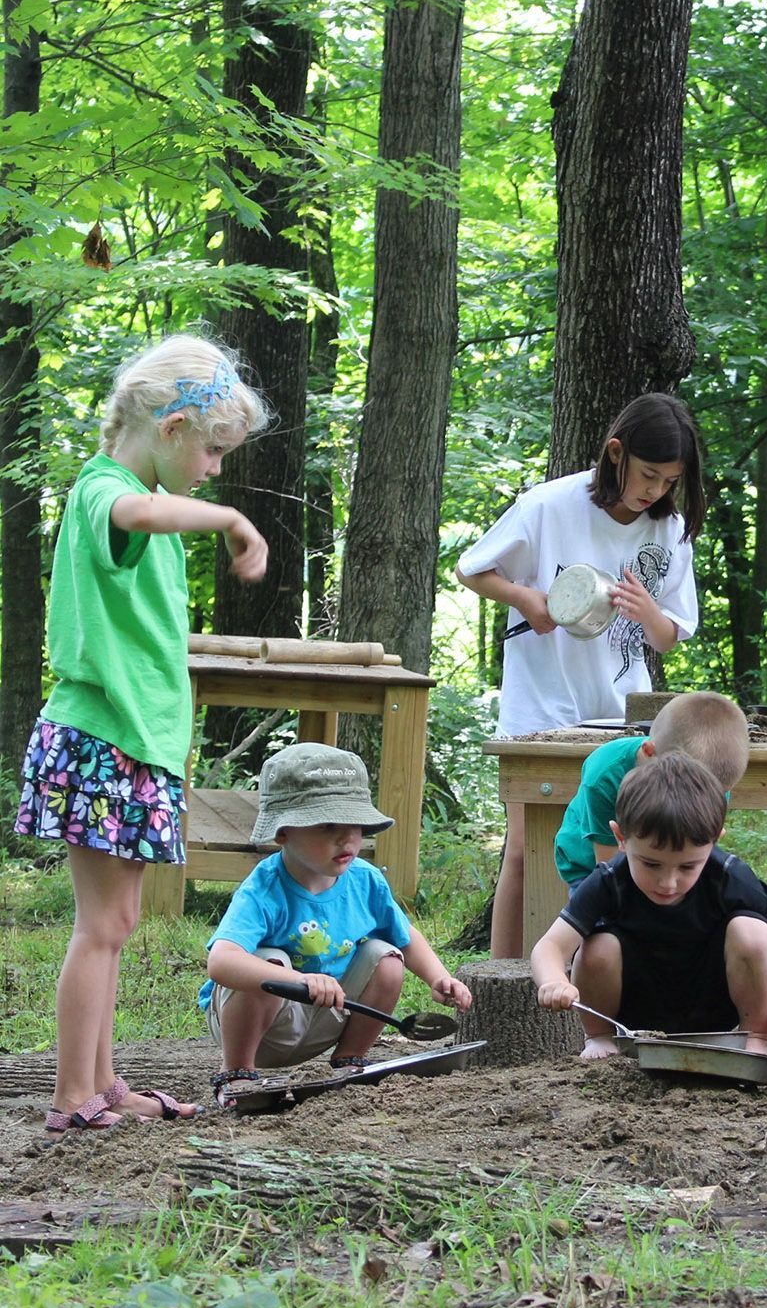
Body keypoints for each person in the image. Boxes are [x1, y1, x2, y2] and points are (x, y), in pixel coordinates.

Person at [13, 335, 271, 1137]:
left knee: (117, 926)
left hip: (132, 746)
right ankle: (69, 1096)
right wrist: (229, 520)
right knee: (99, 928)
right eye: (213, 452)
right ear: (171, 428)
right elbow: (139, 511)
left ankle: (102, 1081)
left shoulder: (136, 501)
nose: (215, 471)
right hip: (100, 740)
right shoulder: (105, 493)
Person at [456, 393, 705, 960]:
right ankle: (505, 981)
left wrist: (649, 616)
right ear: (615, 453)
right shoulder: (550, 505)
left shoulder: (667, 531)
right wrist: (527, 598)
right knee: (525, 847)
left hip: (621, 714)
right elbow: (472, 568)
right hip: (541, 704)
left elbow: (671, 633)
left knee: (617, 847)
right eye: (648, 474)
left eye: (670, 481)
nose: (655, 491)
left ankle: (610, 977)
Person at [201, 743, 472, 1105]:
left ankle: (350, 1061)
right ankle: (236, 1075)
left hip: (330, 1016)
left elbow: (405, 936)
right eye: (328, 826)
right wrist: (299, 981)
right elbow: (221, 961)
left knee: (386, 957)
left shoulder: (365, 880)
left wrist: (438, 977)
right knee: (269, 962)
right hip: (262, 1028)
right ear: (283, 832)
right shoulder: (265, 887)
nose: (346, 839)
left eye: (354, 826)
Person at [531, 752, 767, 1062]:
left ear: (714, 840)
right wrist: (553, 980)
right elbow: (551, 945)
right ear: (621, 838)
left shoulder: (730, 876)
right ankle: (598, 1038)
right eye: (651, 864)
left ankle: (754, 1037)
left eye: (688, 867)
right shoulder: (609, 881)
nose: (668, 882)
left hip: (714, 1002)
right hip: (632, 1011)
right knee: (598, 945)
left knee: (754, 931)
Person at [554, 690, 749, 887]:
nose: (699, 796)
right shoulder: (605, 774)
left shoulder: (713, 782)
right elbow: (608, 872)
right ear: (649, 752)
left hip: (663, 861)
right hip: (590, 862)